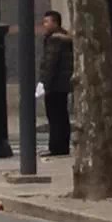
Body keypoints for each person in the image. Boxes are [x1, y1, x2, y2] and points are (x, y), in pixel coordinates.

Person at [38, 10, 73, 158]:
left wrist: (44, 83)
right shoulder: (63, 38)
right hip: (62, 83)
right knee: (61, 115)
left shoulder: (54, 40)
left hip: (55, 83)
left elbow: (50, 63)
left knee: (54, 116)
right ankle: (62, 145)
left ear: (55, 23)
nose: (44, 25)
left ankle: (56, 147)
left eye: (47, 22)